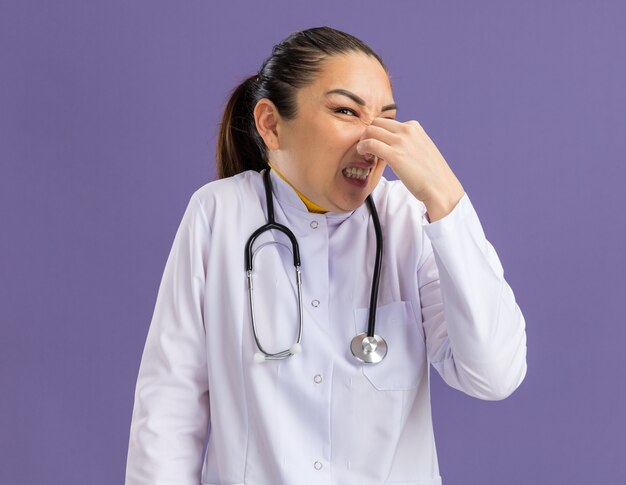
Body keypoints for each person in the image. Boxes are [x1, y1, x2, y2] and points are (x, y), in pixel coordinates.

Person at [125, 26, 527, 485]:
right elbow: (168, 408)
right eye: (346, 111)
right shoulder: (219, 214)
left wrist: (446, 198)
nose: (373, 143)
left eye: (386, 119)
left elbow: (494, 374)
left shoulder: (411, 220)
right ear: (271, 125)